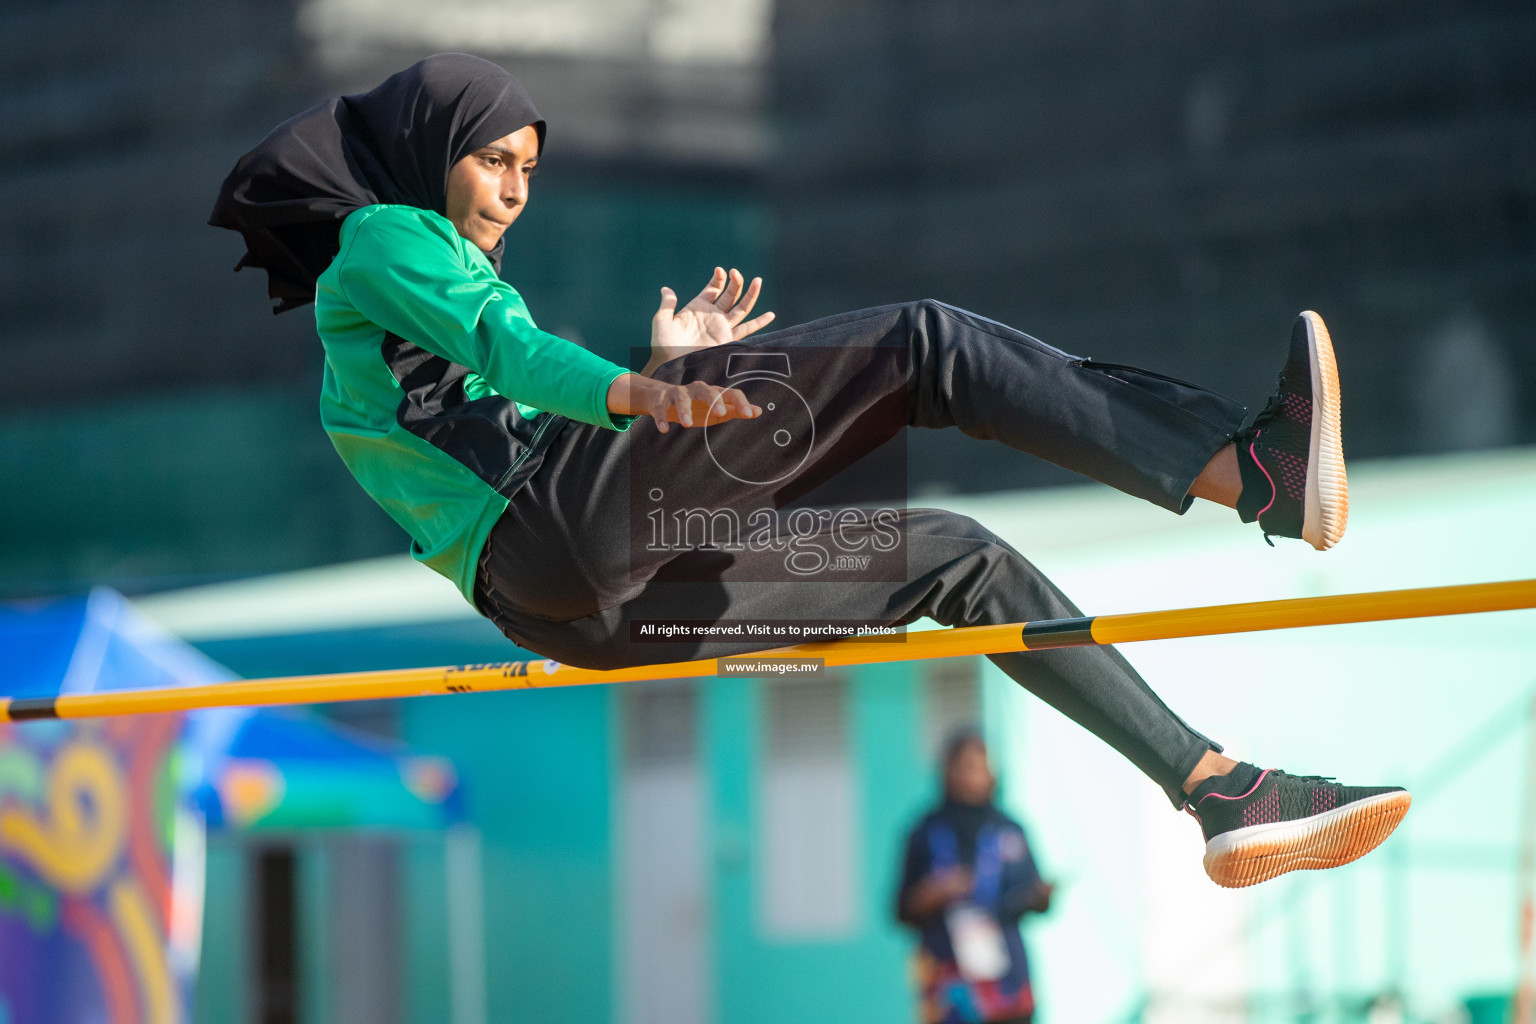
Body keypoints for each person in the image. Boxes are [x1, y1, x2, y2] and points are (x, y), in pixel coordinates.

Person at [210, 54, 1411, 888]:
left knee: (958, 559)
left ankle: (1215, 791)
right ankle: (1248, 470)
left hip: (576, 603)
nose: (515, 191)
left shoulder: (408, 292)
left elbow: (495, 421)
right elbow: (512, 356)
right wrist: (640, 391)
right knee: (927, 345)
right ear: (430, 149)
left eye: (529, 169)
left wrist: (656, 378)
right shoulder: (380, 242)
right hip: (557, 532)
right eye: (493, 163)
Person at [897, 730, 1053, 1024]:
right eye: (967, 765)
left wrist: (1038, 897)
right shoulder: (923, 831)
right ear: (947, 770)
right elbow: (900, 910)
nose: (975, 774)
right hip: (948, 981)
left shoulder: (1010, 830)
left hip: (1006, 982)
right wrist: (933, 893)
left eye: (982, 766)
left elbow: (1033, 900)